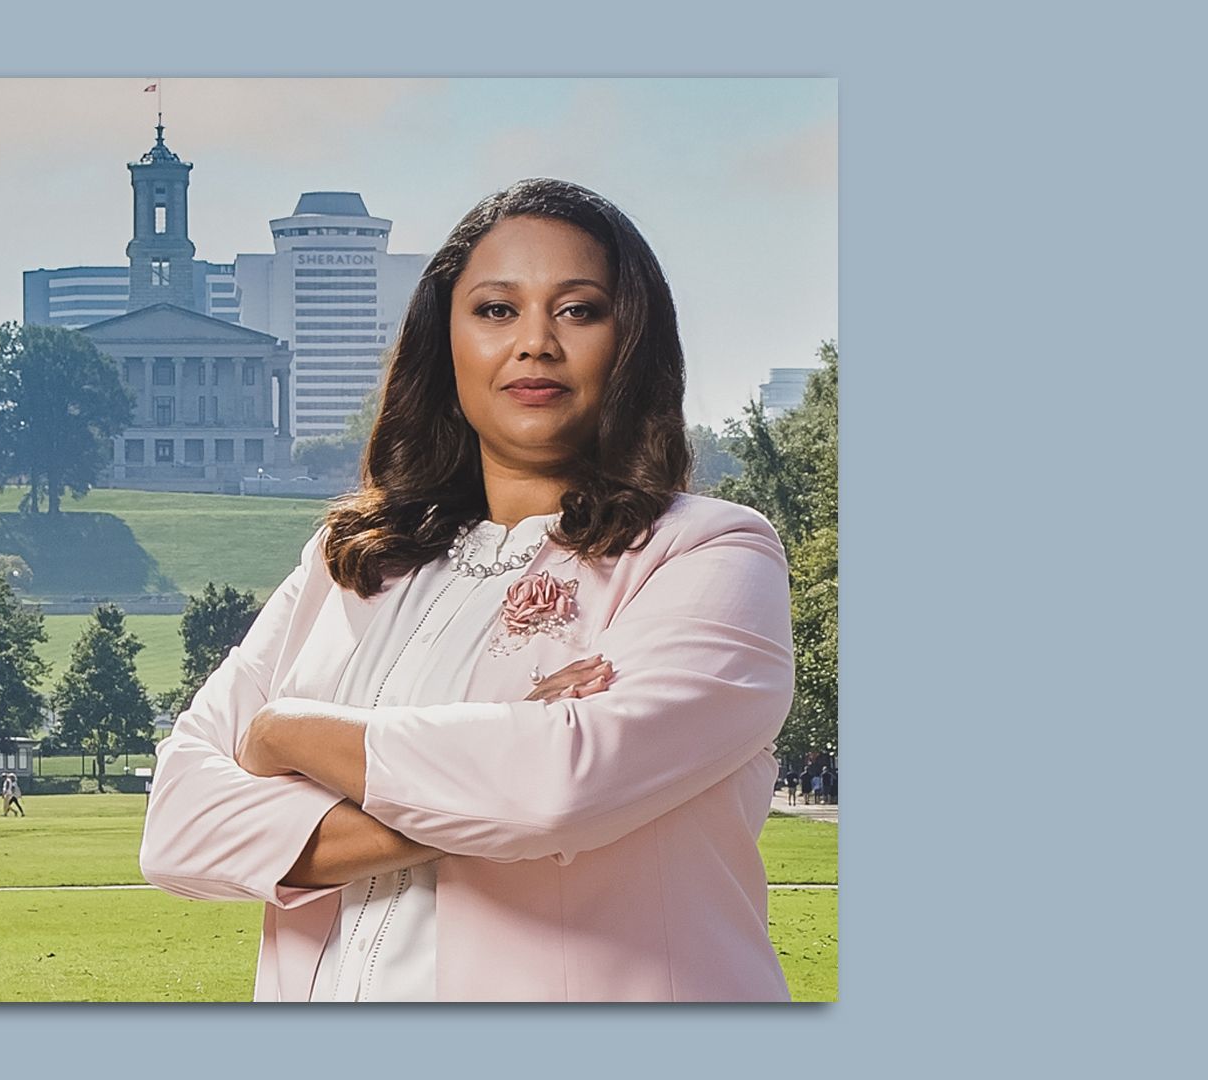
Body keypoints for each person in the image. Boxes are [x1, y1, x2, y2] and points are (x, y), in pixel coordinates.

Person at [140, 179, 795, 1002]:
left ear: (633, 343)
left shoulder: (708, 553)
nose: (535, 344)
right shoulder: (348, 566)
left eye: (579, 310)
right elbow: (177, 829)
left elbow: (557, 790)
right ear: (443, 344)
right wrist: (490, 773)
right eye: (495, 310)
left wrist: (286, 733)